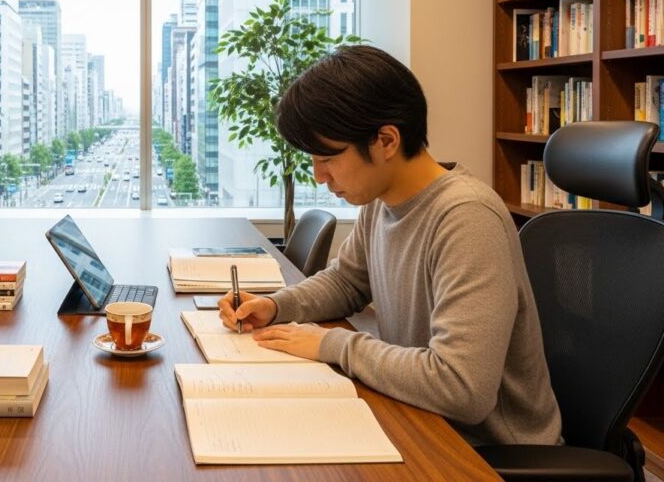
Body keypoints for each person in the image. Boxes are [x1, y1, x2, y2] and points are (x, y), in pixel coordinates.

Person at [219, 45, 561, 446]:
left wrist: (333, 344)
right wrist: (277, 305)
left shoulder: (467, 218)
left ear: (386, 140)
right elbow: (346, 283)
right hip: (417, 417)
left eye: (328, 157)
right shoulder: (381, 202)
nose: (319, 176)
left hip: (484, 452)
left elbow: (462, 388)